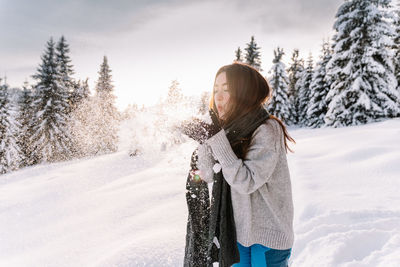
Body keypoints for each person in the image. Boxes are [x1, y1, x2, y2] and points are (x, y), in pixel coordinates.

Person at [181, 62, 295, 267]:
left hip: (267, 241)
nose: (219, 96)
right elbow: (207, 174)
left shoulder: (267, 130)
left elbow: (246, 181)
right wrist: (205, 141)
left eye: (227, 90)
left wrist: (216, 139)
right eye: (216, 90)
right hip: (237, 237)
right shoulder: (227, 132)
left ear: (245, 93)